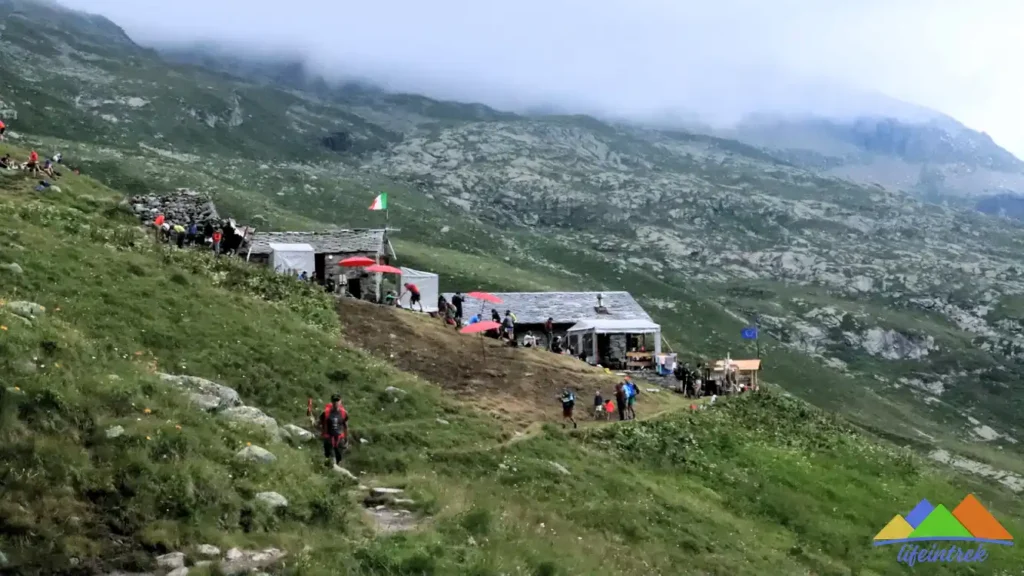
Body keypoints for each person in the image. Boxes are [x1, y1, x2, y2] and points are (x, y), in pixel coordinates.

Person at [319, 394, 349, 469]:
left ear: (340, 402)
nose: (336, 403)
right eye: (334, 401)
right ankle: (330, 473)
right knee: (331, 459)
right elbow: (319, 423)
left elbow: (345, 426)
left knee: (339, 459)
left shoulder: (344, 413)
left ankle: (337, 475)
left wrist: (346, 439)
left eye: (337, 401)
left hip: (339, 439)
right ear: (331, 402)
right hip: (329, 439)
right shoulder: (325, 413)